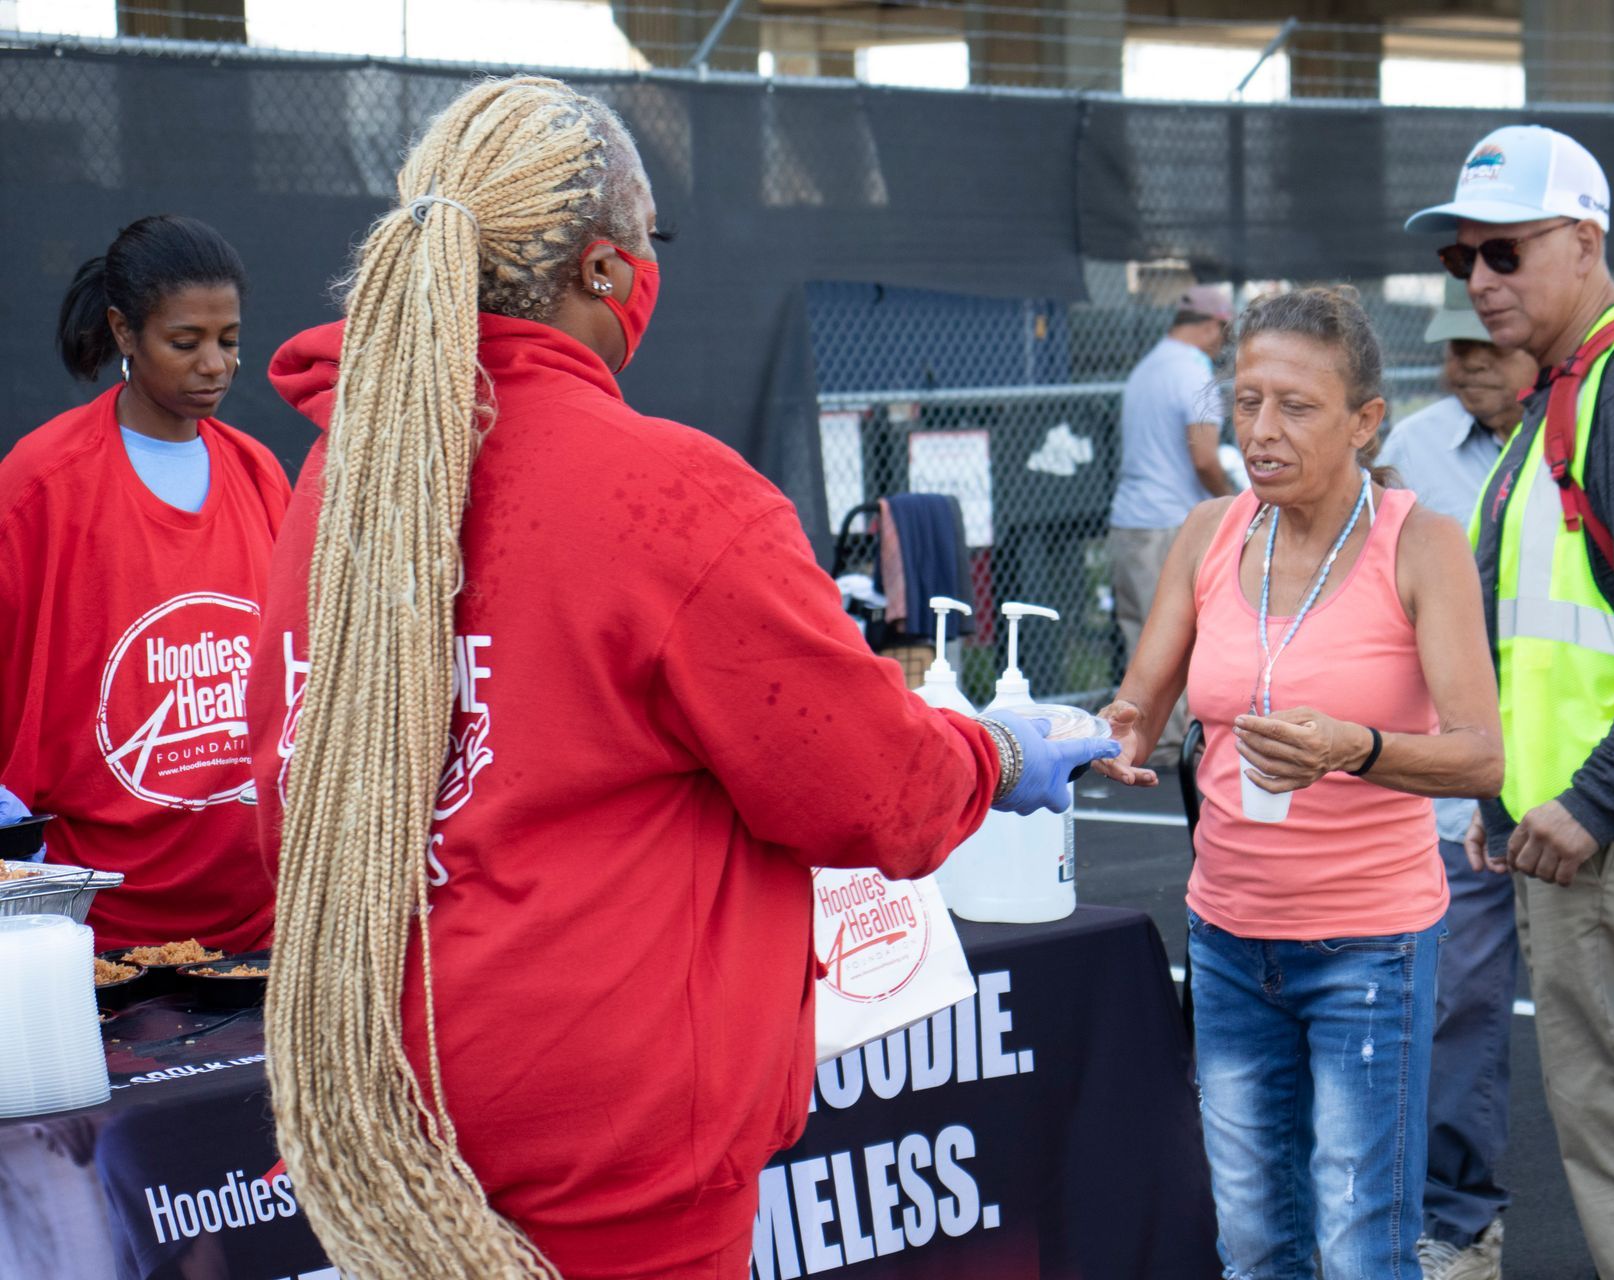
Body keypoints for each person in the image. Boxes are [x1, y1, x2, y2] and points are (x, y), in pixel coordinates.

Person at [248, 76, 1112, 1280]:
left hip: (385, 1107)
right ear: (607, 271)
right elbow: (874, 790)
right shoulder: (665, 492)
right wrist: (1003, 751)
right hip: (606, 1144)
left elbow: (280, 781)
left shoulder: (337, 481)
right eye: (650, 243)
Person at [1094, 286, 1503, 1280]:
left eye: (1297, 406)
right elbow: (1138, 701)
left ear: (1367, 420)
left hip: (1368, 942)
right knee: (1254, 1243)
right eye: (1246, 402)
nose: (1262, 431)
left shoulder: (1419, 541)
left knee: (1364, 1247)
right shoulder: (1209, 531)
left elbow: (1483, 755)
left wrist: (1351, 745)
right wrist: (1100, 735)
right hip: (1230, 938)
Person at [1407, 124, 1614, 1280]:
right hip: (1572, 831)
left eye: (1504, 252)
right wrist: (1503, 794)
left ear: (1585, 240)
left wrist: (1593, 798)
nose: (1480, 283)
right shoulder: (1577, 385)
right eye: (1464, 262)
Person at [0, 215, 286, 952]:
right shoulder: (42, 483)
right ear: (124, 333)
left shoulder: (257, 472)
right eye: (185, 343)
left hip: (253, 916)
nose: (215, 365)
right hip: (101, 926)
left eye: (229, 342)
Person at [1379, 277, 1536, 1280]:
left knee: (1596, 1036)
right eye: (1451, 348)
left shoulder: (1580, 439)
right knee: (1458, 1003)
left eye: (1483, 346)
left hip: (1577, 777)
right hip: (1450, 781)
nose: (1464, 363)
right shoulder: (1413, 450)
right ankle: (1461, 1219)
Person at [1107, 283, 1234, 765]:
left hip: (1130, 520)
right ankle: (1171, 747)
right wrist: (1235, 499)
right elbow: (1204, 457)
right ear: (1211, 326)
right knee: (1176, 636)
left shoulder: (1147, 366)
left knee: (1139, 631)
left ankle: (1135, 738)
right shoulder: (1192, 370)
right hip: (1168, 522)